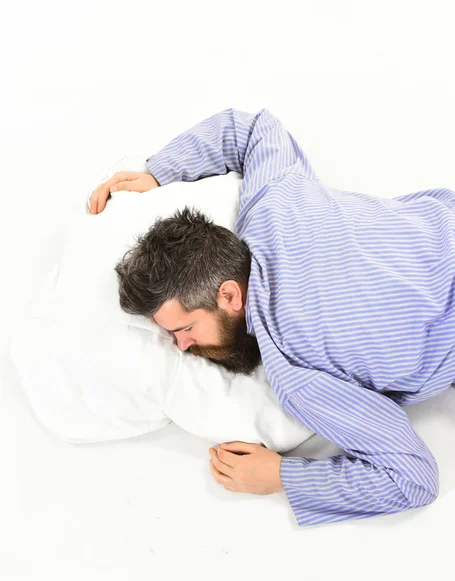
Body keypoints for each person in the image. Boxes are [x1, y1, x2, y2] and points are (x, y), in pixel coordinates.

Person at [89, 108, 455, 527]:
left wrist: (281, 475)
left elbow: (413, 478)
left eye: (184, 329)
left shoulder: (297, 371)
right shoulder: (271, 206)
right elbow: (250, 129)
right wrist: (160, 173)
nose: (182, 346)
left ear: (229, 295)